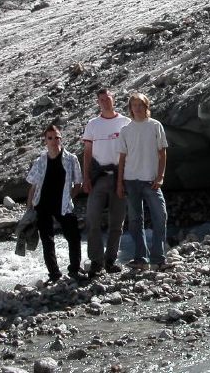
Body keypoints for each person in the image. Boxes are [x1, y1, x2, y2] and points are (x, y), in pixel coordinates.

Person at [26, 124, 86, 283]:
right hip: (42, 204)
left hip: (63, 205)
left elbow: (79, 183)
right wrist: (29, 209)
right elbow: (33, 187)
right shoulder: (40, 161)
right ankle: (54, 274)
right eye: (50, 138)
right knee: (47, 240)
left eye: (57, 137)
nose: (54, 141)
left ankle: (74, 270)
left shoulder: (71, 159)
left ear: (61, 138)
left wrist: (69, 197)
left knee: (73, 236)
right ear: (45, 140)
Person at [117, 92, 169, 270]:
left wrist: (160, 176)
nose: (137, 108)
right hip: (130, 180)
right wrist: (119, 183)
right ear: (130, 108)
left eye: (140, 105)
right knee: (135, 220)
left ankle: (158, 258)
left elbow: (162, 153)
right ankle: (141, 259)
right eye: (134, 105)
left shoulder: (155, 126)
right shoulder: (126, 130)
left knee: (160, 216)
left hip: (151, 180)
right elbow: (122, 159)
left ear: (146, 106)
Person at [82, 88, 130, 276]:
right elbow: (87, 153)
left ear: (113, 99)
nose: (105, 102)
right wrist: (86, 177)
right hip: (99, 177)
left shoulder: (125, 122)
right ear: (98, 102)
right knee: (92, 218)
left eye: (108, 98)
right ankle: (96, 260)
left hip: (120, 177)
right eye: (101, 99)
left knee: (117, 221)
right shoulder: (93, 124)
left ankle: (110, 260)